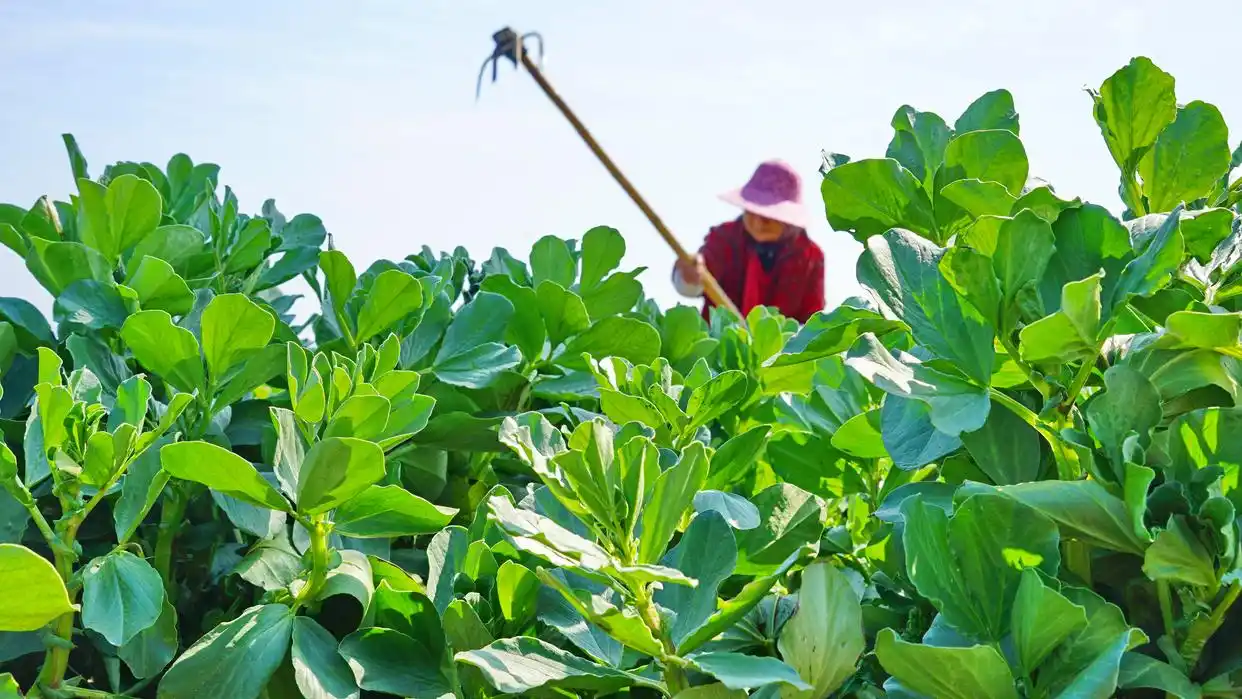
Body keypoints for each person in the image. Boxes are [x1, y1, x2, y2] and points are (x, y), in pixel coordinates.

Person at [672, 159, 825, 323]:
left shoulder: (811, 257)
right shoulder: (725, 237)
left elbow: (812, 321)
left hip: (781, 340)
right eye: (752, 212)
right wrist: (689, 275)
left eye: (767, 216)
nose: (758, 223)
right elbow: (692, 284)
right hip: (719, 337)